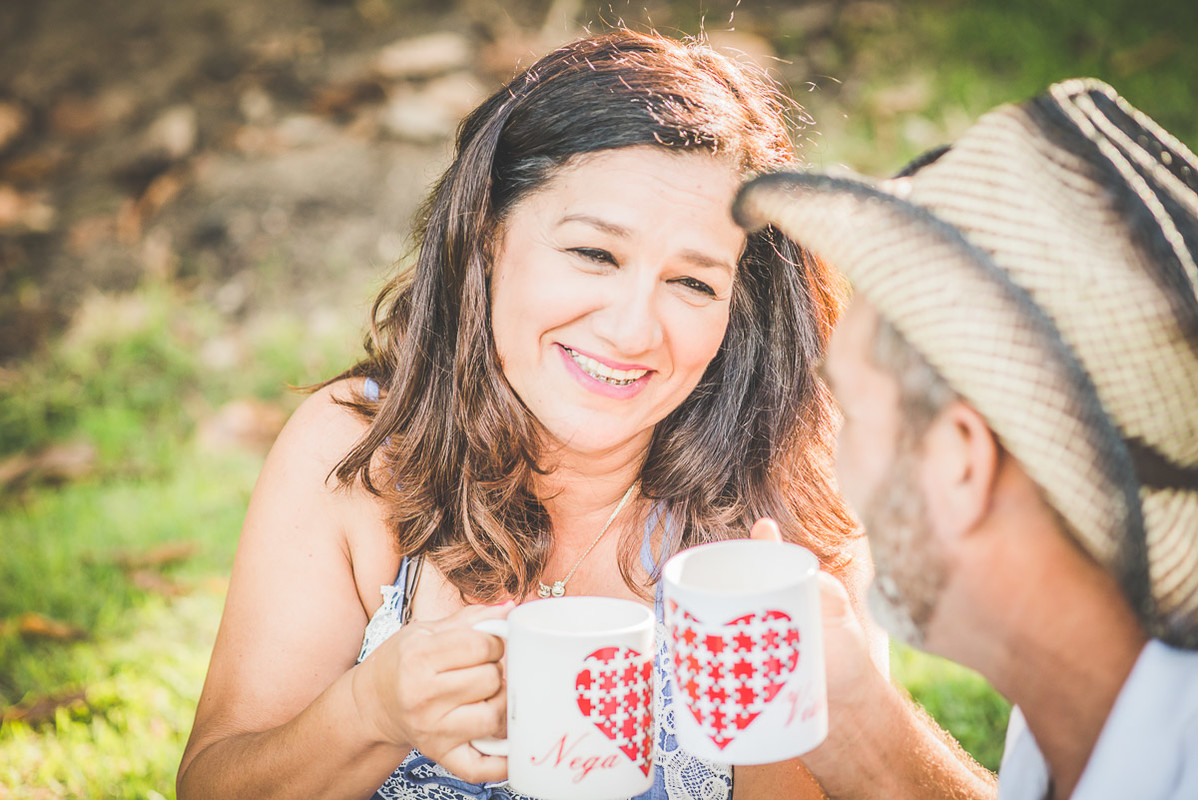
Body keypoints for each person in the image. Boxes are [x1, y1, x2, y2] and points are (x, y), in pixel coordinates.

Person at [177, 29, 902, 800]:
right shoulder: (356, 451)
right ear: (488, 236)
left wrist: (786, 714)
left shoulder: (787, 484)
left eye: (693, 283)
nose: (633, 331)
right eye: (594, 254)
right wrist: (371, 711)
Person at [735, 78, 1198, 798]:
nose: (834, 457)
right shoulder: (1069, 714)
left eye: (852, 411)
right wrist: (854, 718)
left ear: (960, 462)